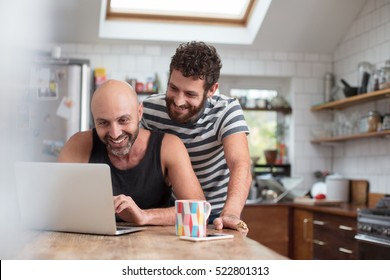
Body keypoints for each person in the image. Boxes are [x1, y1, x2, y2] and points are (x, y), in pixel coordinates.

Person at [58, 79, 205, 226]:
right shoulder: (78, 144)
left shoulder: (169, 147)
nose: (115, 134)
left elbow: (199, 211)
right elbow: (52, 203)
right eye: (103, 123)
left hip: (157, 245)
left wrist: (144, 216)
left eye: (123, 120)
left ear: (139, 113)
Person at [141, 41, 252, 233]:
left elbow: (240, 164)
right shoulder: (151, 110)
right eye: (173, 88)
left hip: (218, 215)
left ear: (211, 90)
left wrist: (231, 214)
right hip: (171, 212)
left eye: (190, 94)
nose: (178, 101)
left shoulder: (227, 110)